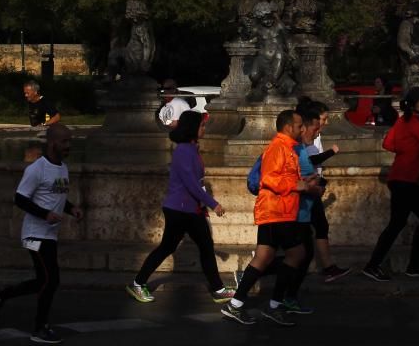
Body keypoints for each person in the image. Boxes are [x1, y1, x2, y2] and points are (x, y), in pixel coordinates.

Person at [0, 124, 82, 344]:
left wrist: (71, 208)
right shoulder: (37, 168)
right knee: (50, 279)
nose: (69, 146)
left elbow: (56, 196)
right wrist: (44, 214)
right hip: (33, 236)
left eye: (70, 141)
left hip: (49, 235)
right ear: (52, 142)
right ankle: (40, 328)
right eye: (65, 141)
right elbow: (20, 198)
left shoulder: (62, 168)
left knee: (43, 280)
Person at [127, 111, 235, 304]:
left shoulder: (191, 148)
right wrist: (213, 204)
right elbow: (192, 184)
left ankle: (217, 289)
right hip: (181, 210)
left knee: (198, 247)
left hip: (188, 209)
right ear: (192, 128)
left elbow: (195, 183)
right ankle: (137, 283)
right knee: (179, 247)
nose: (204, 129)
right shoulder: (184, 151)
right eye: (202, 126)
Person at [222, 109, 314, 327]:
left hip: (278, 211)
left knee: (263, 257)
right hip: (276, 211)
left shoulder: (288, 148)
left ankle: (235, 305)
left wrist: (305, 184)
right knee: (297, 254)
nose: (302, 129)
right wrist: (297, 185)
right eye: (299, 125)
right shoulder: (278, 148)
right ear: (288, 127)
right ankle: (273, 305)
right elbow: (269, 178)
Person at [362, 87, 419, 281]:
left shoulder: (402, 121)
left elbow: (387, 144)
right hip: (406, 180)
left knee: (397, 224)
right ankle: (409, 266)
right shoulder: (417, 123)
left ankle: (377, 265)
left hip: (397, 178)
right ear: (415, 103)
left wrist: (405, 148)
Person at [300, 99, 350, 282]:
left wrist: (320, 182)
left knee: (317, 230)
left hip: (311, 192)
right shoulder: (301, 143)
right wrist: (332, 152)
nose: (324, 124)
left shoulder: (311, 139)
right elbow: (309, 163)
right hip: (304, 195)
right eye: (323, 119)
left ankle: (328, 267)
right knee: (297, 249)